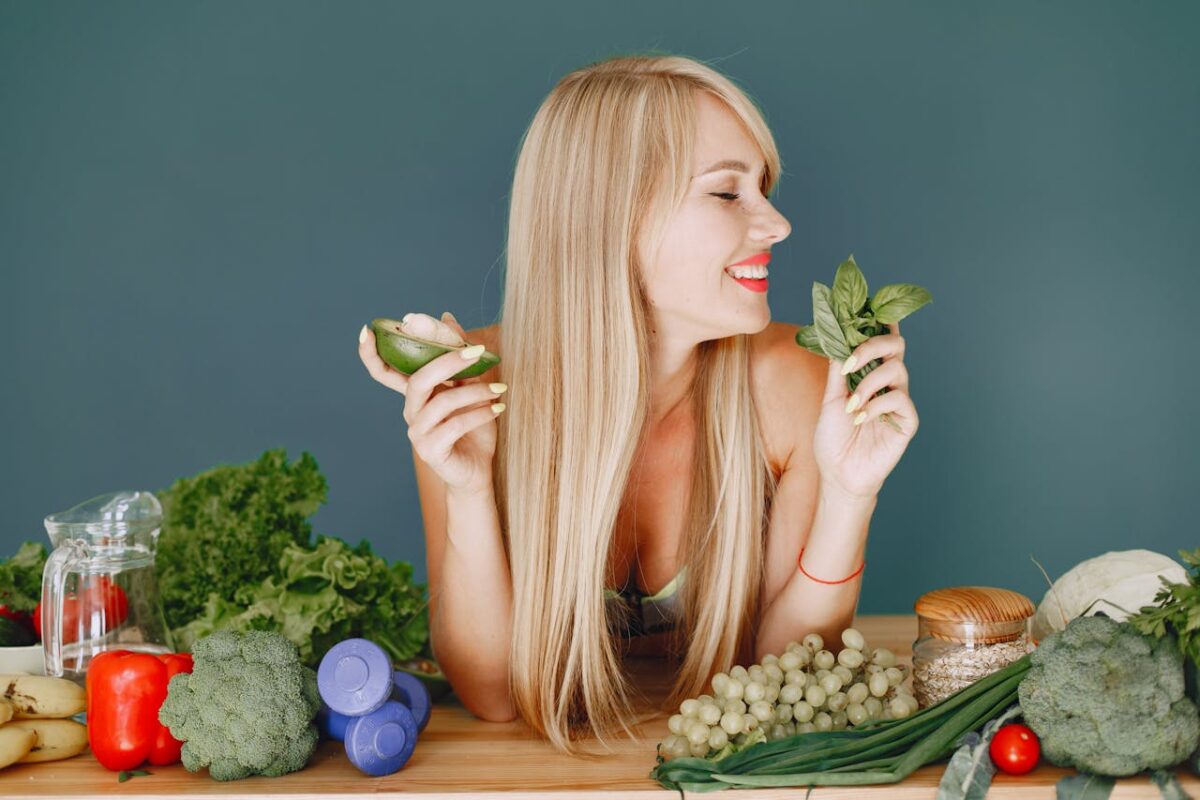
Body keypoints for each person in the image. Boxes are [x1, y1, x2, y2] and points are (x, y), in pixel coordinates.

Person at [357, 53, 919, 755]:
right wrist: (468, 489)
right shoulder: (471, 384)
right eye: (726, 194)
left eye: (764, 189)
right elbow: (496, 696)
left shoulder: (793, 381)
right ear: (612, 218)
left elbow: (784, 681)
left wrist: (849, 495)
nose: (776, 224)